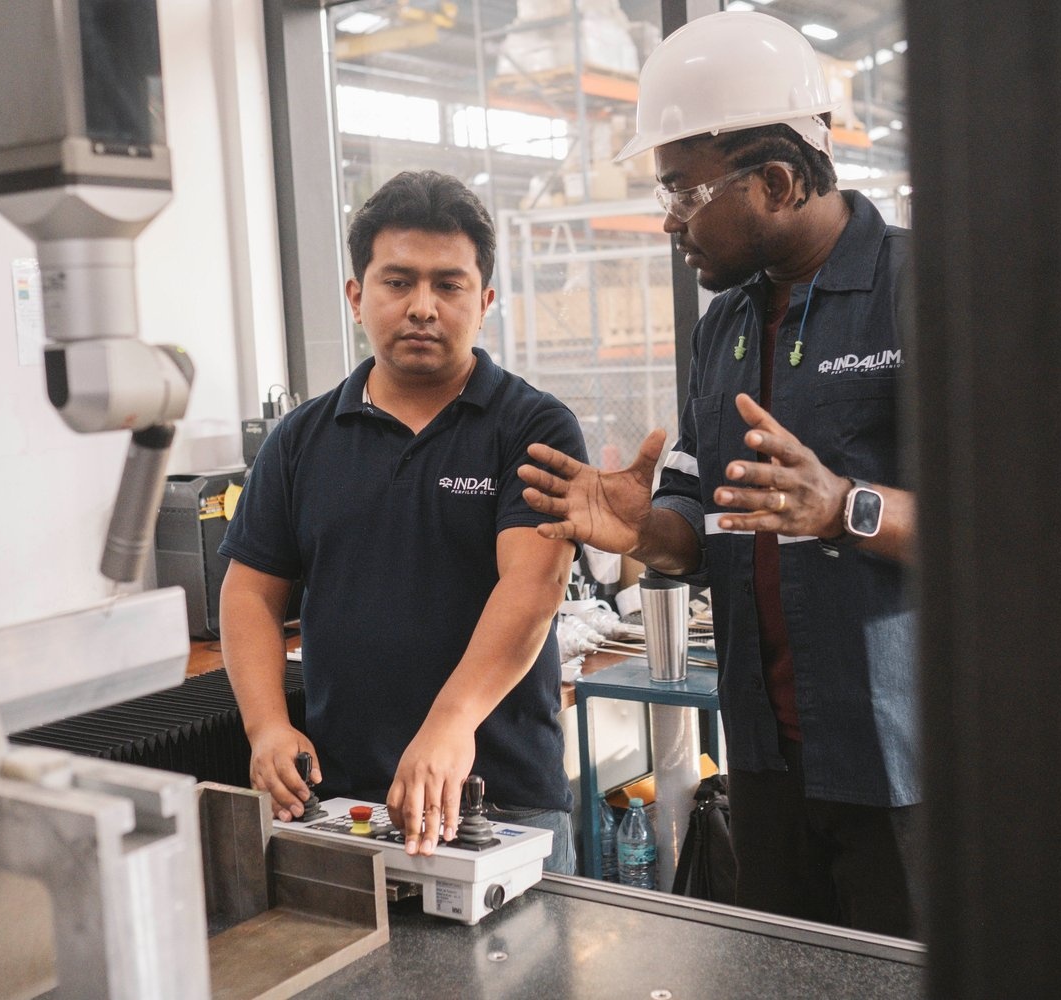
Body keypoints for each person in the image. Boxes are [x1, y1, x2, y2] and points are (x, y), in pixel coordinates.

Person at [519, 11, 920, 934]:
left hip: (905, 770)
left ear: (776, 180)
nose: (668, 220)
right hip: (766, 759)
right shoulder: (724, 326)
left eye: (683, 193)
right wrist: (642, 532)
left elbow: (1012, 529)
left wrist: (843, 508)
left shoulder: (919, 292)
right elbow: (699, 517)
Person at [218, 170, 587, 874]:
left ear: (484, 303)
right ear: (358, 296)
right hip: (345, 798)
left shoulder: (533, 427)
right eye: (397, 282)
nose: (423, 307)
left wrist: (451, 724)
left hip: (502, 800)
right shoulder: (300, 440)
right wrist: (266, 726)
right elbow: (250, 593)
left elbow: (533, 586)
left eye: (448, 286)